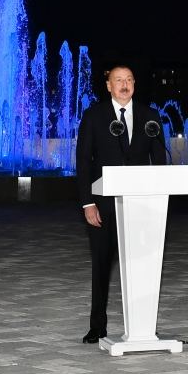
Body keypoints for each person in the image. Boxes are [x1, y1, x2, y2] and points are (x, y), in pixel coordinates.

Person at [76, 65, 167, 343]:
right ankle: (97, 325)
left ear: (134, 84)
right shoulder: (94, 116)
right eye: (118, 80)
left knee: (141, 263)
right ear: (108, 86)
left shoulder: (150, 117)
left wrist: (157, 197)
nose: (124, 85)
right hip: (102, 205)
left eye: (129, 80)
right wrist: (87, 203)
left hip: (140, 206)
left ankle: (142, 325)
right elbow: (83, 162)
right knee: (101, 265)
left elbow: (159, 162)